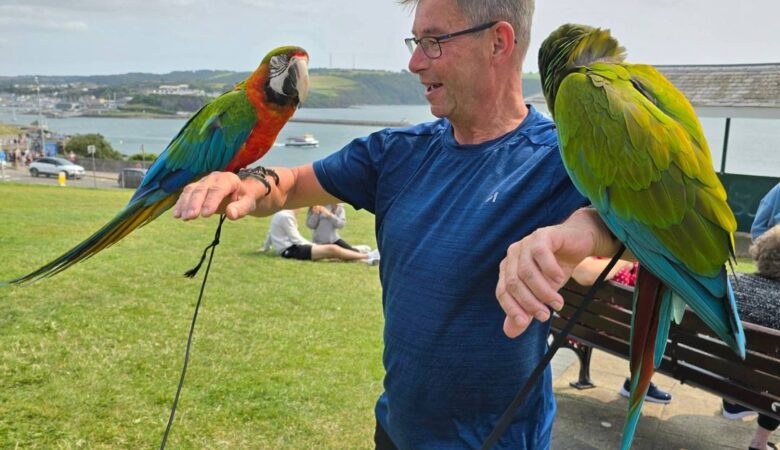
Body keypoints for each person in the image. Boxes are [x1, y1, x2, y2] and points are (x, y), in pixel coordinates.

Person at [172, 0, 622, 447]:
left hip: (497, 442)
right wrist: (252, 185)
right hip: (394, 432)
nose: (413, 62)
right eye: (415, 42)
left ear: (498, 42)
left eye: (433, 42)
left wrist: (588, 228)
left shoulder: (562, 158)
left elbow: (663, 235)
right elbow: (289, 185)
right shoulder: (395, 151)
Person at [572, 258, 673, 404]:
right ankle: (637, 383)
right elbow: (587, 274)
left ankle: (637, 382)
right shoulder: (611, 258)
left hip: (595, 322)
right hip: (618, 329)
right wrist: (626, 260)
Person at [721, 224, 780, 450]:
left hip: (711, 369)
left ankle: (733, 402)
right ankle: (759, 442)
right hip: (762, 383)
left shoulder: (729, 284)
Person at [260, 209, 379, 264]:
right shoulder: (286, 216)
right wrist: (315, 246)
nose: (300, 209)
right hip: (290, 250)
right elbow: (297, 239)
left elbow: (271, 232)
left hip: (291, 249)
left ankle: (366, 260)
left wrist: (265, 248)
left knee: (332, 253)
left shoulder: (280, 214)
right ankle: (368, 256)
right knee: (332, 250)